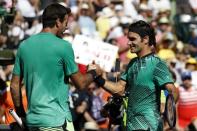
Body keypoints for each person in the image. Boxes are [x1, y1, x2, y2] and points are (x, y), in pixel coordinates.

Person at [10, 3, 102, 131]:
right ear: (58, 22)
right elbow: (81, 84)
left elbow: (14, 86)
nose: (67, 26)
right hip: (57, 122)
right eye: (65, 22)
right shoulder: (63, 46)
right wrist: (94, 72)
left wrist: (22, 115)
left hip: (33, 122)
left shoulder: (24, 46)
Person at [93, 20, 178, 131]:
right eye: (128, 39)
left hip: (148, 126)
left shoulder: (157, 63)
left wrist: (168, 112)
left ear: (145, 39)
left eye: (132, 39)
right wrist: (98, 78)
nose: (128, 43)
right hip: (130, 126)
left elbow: (173, 91)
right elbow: (119, 90)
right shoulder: (132, 63)